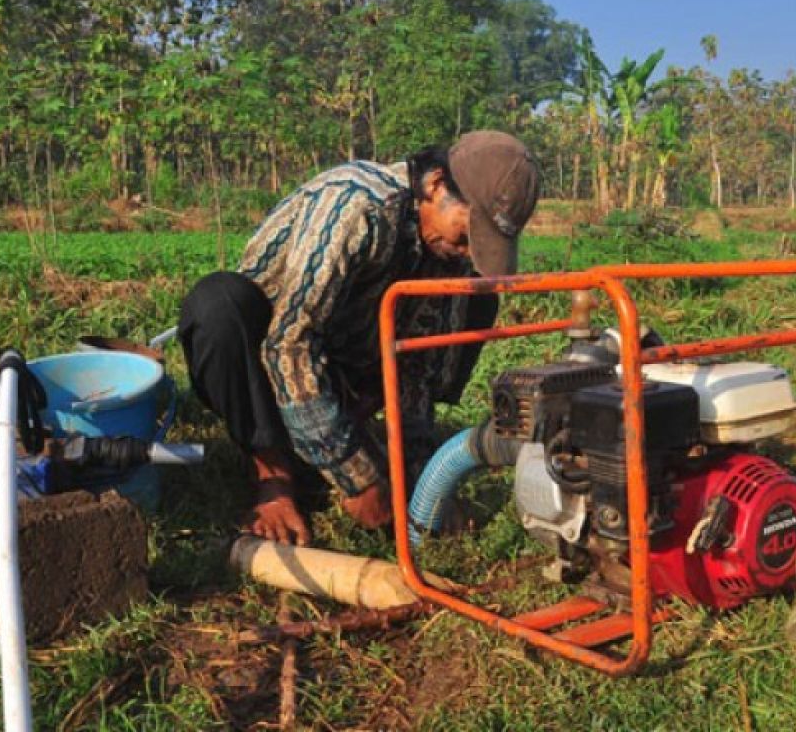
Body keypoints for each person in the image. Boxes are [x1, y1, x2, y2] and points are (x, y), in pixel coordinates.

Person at [178, 131, 540, 545]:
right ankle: (273, 477)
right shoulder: (356, 206)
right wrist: (356, 477)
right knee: (218, 305)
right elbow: (290, 343)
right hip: (265, 360)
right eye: (465, 237)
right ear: (436, 184)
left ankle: (360, 439)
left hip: (348, 362)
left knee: (477, 298)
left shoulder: (446, 251)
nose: (464, 251)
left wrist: (426, 482)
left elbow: (417, 365)